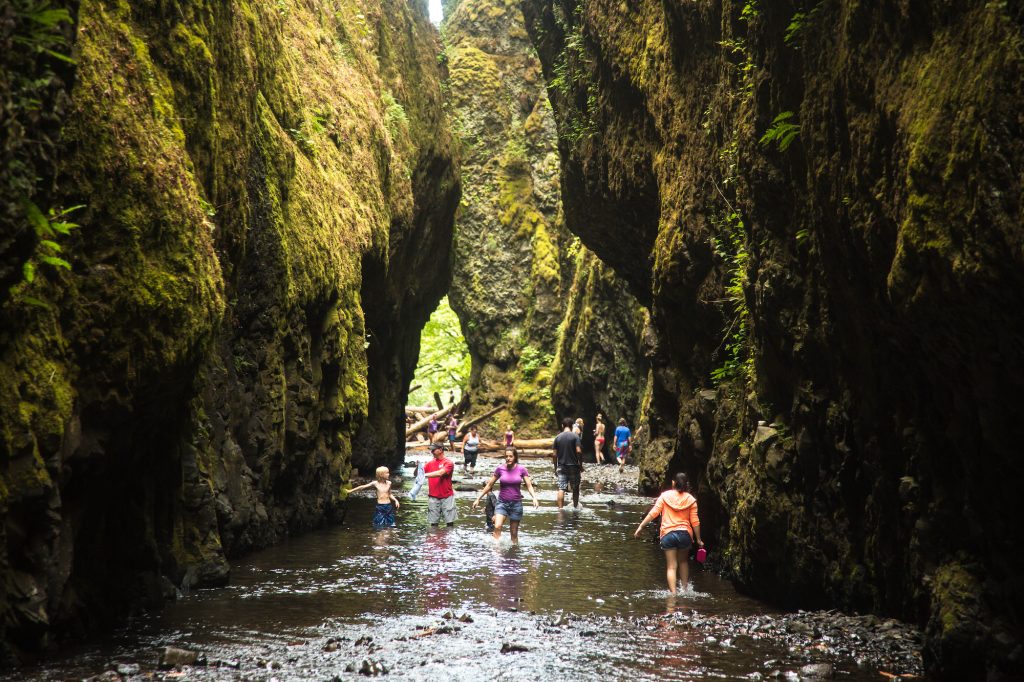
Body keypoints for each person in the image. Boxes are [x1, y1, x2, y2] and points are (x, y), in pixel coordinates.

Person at [633, 472, 703, 594]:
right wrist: (698, 539)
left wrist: (641, 527)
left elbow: (653, 513)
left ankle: (673, 593)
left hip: (668, 534)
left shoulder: (664, 496)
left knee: (671, 566)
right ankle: (685, 590)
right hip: (684, 534)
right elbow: (695, 521)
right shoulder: (691, 500)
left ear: (673, 483)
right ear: (686, 485)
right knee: (683, 562)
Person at [473, 448, 539, 542]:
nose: (508, 458)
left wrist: (534, 498)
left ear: (515, 457)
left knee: (514, 532)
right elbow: (489, 484)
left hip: (516, 504)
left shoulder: (521, 469)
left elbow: (529, 485)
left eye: (510, 456)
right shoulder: (500, 469)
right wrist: (478, 498)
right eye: (506, 456)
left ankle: (514, 552)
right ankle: (496, 551)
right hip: (502, 503)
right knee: (497, 526)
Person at [552, 417, 583, 509]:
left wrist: (555, 467)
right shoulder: (575, 436)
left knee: (561, 488)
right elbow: (578, 451)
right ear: (572, 426)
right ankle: (575, 507)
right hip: (573, 466)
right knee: (575, 488)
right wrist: (580, 465)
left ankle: (560, 509)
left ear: (562, 426)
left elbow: (554, 455)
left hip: (561, 466)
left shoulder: (557, 437)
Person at [424, 442, 456, 526]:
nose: (431, 452)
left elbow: (440, 473)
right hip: (433, 497)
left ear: (441, 450)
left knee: (449, 523)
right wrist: (418, 467)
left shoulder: (448, 463)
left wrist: (424, 475)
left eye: (433, 450)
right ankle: (434, 538)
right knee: (433, 524)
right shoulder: (429, 463)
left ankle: (448, 539)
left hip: (447, 496)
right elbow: (416, 474)